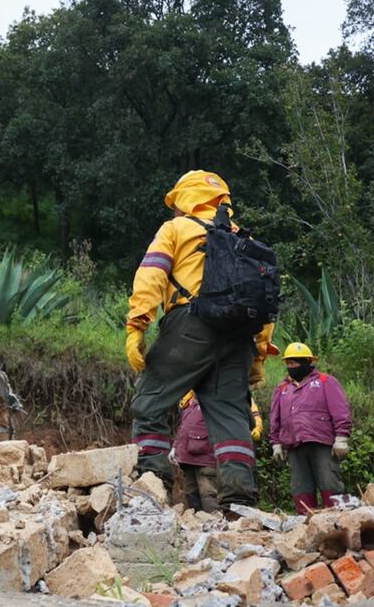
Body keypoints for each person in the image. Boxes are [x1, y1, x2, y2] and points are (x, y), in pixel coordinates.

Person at [124, 170, 275, 508]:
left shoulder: (176, 229)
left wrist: (137, 325)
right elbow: (265, 302)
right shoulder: (246, 242)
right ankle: (238, 504)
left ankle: (151, 489)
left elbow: (152, 274)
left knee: (149, 402)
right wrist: (259, 357)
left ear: (185, 199)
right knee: (231, 417)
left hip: (191, 324)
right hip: (238, 337)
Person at [269, 342, 352, 512]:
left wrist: (341, 438)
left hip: (321, 443)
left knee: (330, 483)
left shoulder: (325, 381)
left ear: (307, 362)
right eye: (289, 363)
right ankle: (307, 527)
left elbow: (340, 410)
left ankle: (337, 523)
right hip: (294, 446)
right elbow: (275, 419)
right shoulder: (282, 388)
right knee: (301, 489)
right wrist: (276, 443)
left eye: (295, 363)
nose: (291, 366)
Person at [171, 390, 263, 513]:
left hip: (207, 458)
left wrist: (256, 427)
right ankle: (197, 523)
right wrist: (175, 448)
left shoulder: (219, 399)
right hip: (186, 458)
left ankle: (214, 521)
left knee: (208, 493)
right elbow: (183, 429)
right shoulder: (189, 402)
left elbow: (250, 415)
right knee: (191, 494)